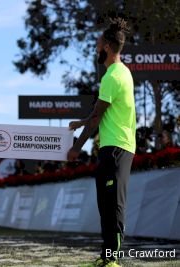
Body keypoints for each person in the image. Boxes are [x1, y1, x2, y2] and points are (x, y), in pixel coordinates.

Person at [68, 18, 135, 267]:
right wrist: (81, 122)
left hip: (117, 147)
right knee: (106, 205)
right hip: (114, 147)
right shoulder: (122, 72)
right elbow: (99, 113)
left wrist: (76, 148)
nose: (96, 48)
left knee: (113, 204)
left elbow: (97, 117)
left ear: (107, 46)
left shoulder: (112, 76)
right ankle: (107, 257)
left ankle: (113, 259)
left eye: (98, 44)